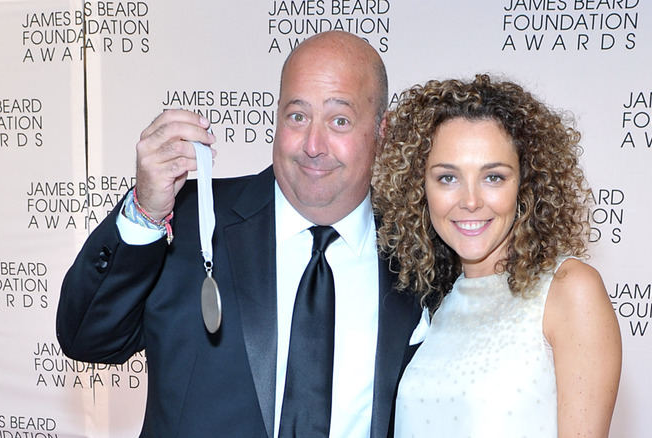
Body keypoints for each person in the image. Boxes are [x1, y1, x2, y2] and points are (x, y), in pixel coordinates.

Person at [56, 31, 422, 438]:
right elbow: (87, 337)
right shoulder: (188, 219)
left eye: (339, 120)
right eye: (297, 116)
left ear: (382, 130)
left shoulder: (419, 251)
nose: (313, 145)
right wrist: (146, 213)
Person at [372, 74, 622, 437]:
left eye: (493, 177)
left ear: (526, 184)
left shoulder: (569, 290)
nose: (470, 201)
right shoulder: (432, 301)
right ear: (418, 187)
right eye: (447, 178)